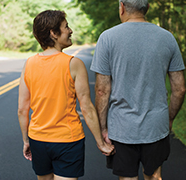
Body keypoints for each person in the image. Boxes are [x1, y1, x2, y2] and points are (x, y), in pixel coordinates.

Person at [90, 0, 186, 180]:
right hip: (156, 125)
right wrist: (168, 119)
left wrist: (103, 128)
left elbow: (101, 90)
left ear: (122, 7)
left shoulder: (107, 38)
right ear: (146, 9)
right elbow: (179, 89)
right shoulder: (167, 38)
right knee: (154, 176)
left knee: (127, 178)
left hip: (122, 127)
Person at [17, 10, 114, 180]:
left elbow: (22, 109)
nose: (70, 31)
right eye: (66, 27)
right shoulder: (74, 64)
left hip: (38, 140)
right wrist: (101, 143)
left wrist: (26, 140)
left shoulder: (29, 64)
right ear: (53, 33)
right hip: (67, 140)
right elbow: (86, 107)